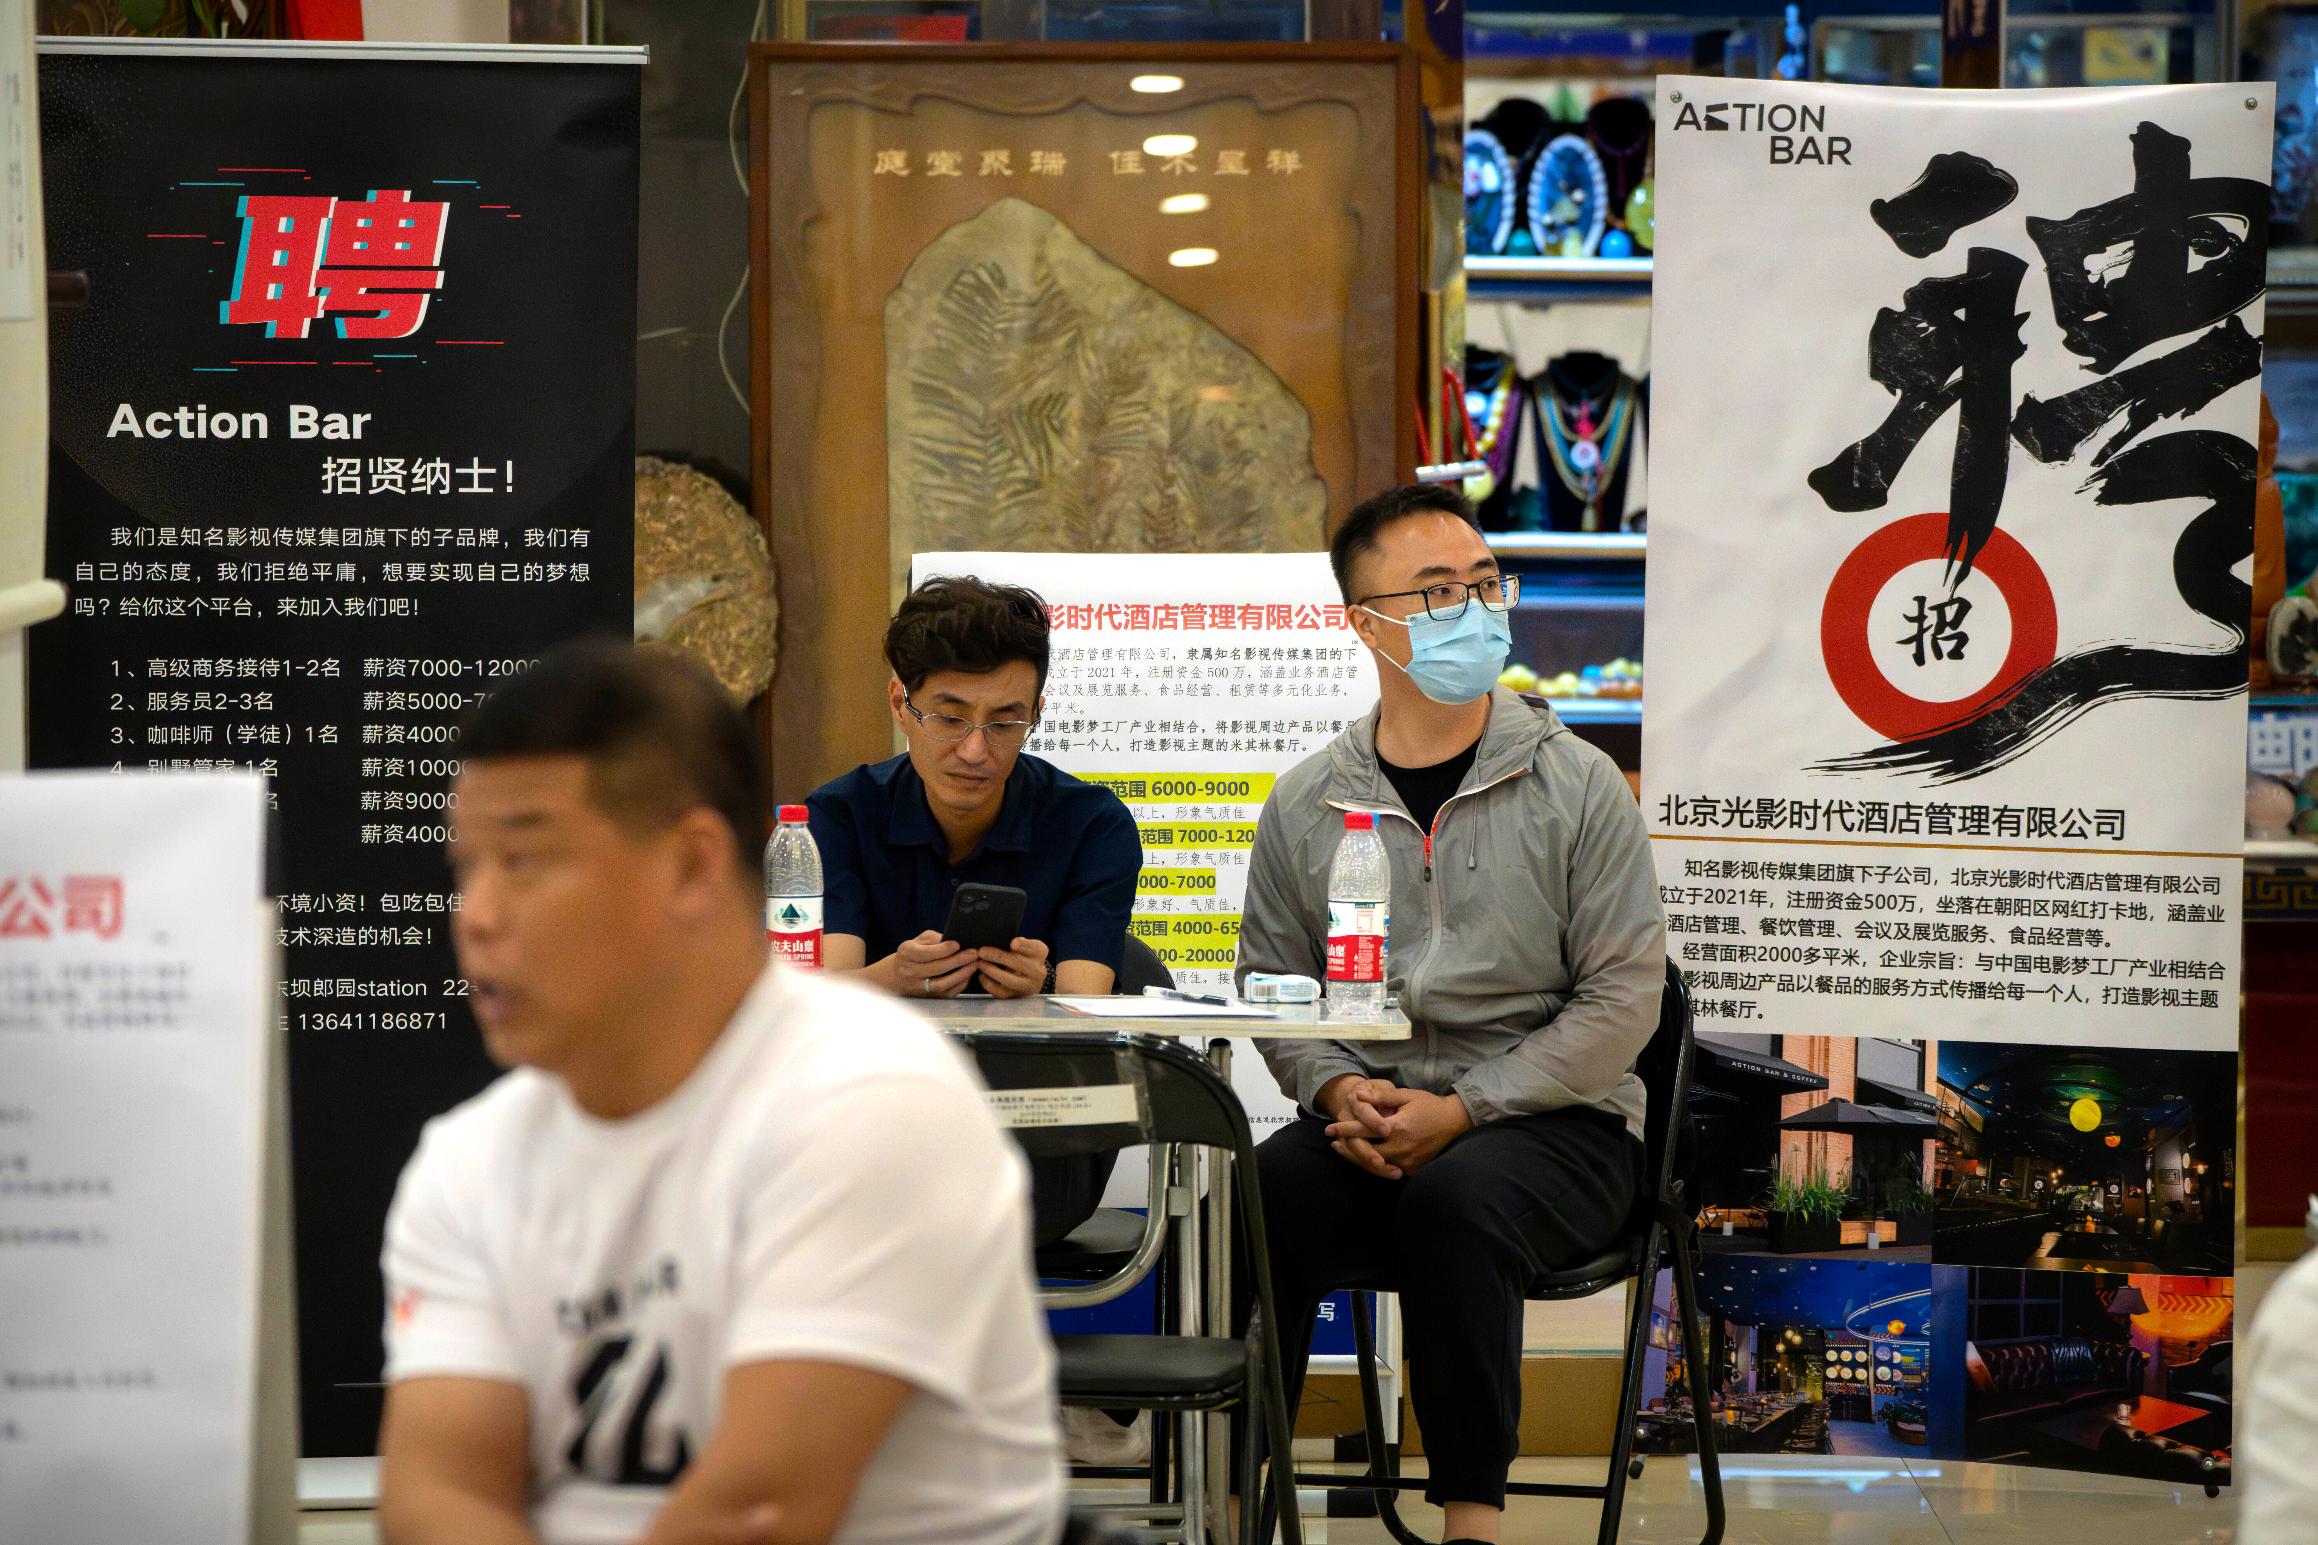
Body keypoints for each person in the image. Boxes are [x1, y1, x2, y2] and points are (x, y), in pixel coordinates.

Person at [376, 641, 1065, 1545]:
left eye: (526, 860)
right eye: (467, 868)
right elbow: (439, 1498)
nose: (478, 914)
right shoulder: (469, 1158)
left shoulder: (870, 1101)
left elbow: (761, 1512)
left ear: (695, 865)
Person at [1235, 484, 1666, 1545]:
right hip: (1369, 1119)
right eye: (1436, 593)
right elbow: (1272, 986)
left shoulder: (1577, 785)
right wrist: (1334, 1086)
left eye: (1481, 585)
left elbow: (1623, 1000)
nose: (1472, 610)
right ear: (1364, 621)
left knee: (1455, 1202)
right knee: (1260, 1195)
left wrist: (1466, 1109)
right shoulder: (1305, 802)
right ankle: (1242, 1497)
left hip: (1557, 1130)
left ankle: (1470, 1522)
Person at [807, 575, 1143, 1004]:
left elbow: (1087, 1008)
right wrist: (892, 977)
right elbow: (819, 1001)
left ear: (1036, 714)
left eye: (1004, 724)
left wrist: (1041, 982)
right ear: (899, 705)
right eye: (950, 720)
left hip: (1040, 1069)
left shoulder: (1092, 826)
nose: (974, 751)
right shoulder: (839, 817)